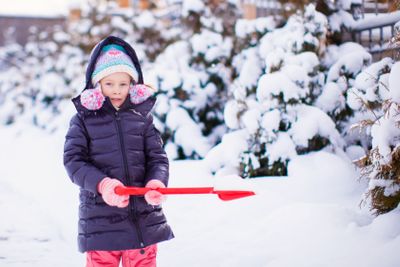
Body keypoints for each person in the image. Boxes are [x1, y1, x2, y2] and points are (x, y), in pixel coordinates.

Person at [63, 36, 174, 267]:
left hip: (142, 220)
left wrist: (155, 182)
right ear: (97, 84)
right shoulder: (84, 119)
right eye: (109, 83)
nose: (116, 90)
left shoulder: (142, 118)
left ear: (132, 84)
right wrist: (103, 185)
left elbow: (157, 158)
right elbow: (74, 161)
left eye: (123, 84)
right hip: (101, 222)